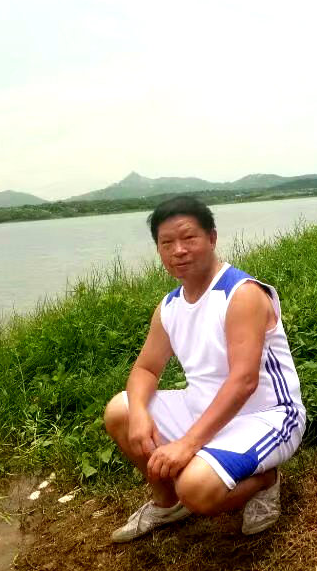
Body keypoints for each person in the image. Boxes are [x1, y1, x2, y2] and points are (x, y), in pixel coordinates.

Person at [103, 195, 305, 542]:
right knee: (120, 410)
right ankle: (167, 504)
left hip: (266, 416)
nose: (178, 250)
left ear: (212, 238)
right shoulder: (169, 307)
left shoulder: (240, 294)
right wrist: (139, 415)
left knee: (194, 488)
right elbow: (146, 370)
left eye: (189, 238)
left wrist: (187, 444)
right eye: (167, 243)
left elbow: (243, 381)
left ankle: (266, 480)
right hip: (204, 407)